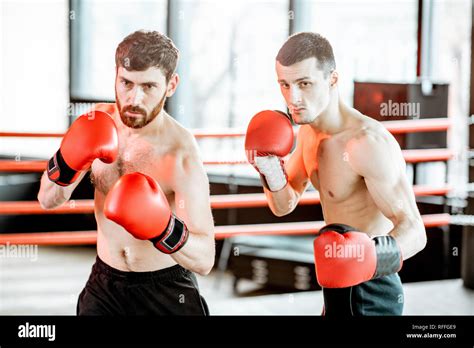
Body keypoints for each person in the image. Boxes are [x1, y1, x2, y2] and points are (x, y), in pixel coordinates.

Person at [245, 32, 427, 316]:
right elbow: (283, 205)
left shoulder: (366, 143)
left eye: (304, 84)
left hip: (373, 290)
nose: (293, 98)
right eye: (285, 84)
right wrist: (270, 170)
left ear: (332, 79)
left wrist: (365, 257)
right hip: (335, 289)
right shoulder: (307, 133)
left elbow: (416, 231)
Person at [38, 30, 215, 315]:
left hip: (166, 290)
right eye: (126, 83)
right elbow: (48, 199)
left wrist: (162, 228)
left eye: (148, 87)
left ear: (171, 85)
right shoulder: (96, 124)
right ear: (116, 76)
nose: (134, 98)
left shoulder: (181, 152)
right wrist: (67, 161)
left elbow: (205, 259)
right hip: (104, 283)